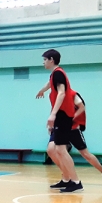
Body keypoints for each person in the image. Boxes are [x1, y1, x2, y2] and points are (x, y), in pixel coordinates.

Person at [36, 48, 82, 193]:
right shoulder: (54, 74)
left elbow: (61, 93)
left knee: (61, 150)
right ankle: (67, 179)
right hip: (61, 115)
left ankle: (76, 182)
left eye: (45, 59)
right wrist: (42, 90)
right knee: (56, 149)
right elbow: (49, 84)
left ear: (51, 60)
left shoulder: (58, 74)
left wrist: (53, 114)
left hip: (63, 115)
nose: (43, 62)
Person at [47, 92, 102, 188]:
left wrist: (71, 120)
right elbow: (55, 110)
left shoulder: (72, 95)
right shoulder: (54, 95)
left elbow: (82, 107)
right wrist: (51, 124)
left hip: (73, 128)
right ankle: (66, 178)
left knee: (86, 154)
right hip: (60, 128)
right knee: (51, 150)